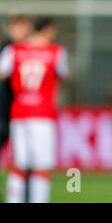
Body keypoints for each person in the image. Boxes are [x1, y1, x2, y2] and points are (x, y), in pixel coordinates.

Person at [0, 17, 69, 203]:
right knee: (41, 167)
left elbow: (2, 73)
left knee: (19, 165)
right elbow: (64, 75)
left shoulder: (13, 50)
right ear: (49, 30)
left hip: (19, 113)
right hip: (43, 115)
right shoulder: (56, 52)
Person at [0, 15, 34, 151]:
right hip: (4, 103)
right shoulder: (6, 49)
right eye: (15, 27)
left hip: (24, 104)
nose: (18, 31)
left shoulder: (34, 49)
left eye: (22, 27)